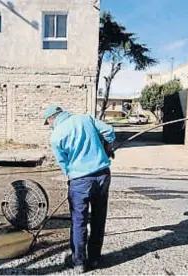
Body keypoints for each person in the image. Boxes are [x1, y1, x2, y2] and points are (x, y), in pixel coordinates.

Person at [43, 104, 115, 273]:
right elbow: (109, 131)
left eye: (49, 123)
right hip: (103, 175)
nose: (50, 126)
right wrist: (107, 148)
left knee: (79, 222)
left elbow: (64, 163)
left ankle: (79, 263)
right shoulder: (86, 119)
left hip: (80, 181)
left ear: (52, 118)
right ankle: (95, 258)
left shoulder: (56, 136)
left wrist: (73, 177)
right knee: (98, 218)